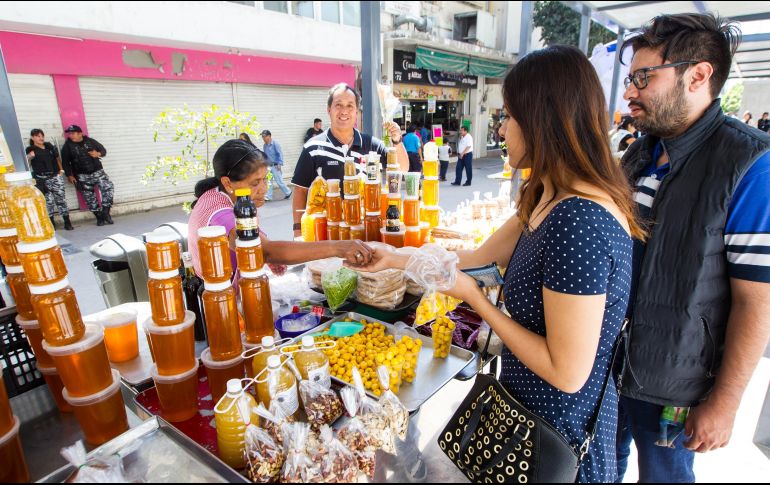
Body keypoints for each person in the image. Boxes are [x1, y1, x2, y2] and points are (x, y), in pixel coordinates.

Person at [352, 45, 644, 483]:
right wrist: (393, 258)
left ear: (543, 119)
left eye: (508, 116)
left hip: (556, 444)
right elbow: (471, 259)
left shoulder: (578, 220)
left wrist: (477, 301)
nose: (501, 128)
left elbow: (567, 373)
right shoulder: (546, 196)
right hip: (522, 423)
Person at [617, 13, 770, 483]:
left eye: (644, 77)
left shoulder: (749, 165)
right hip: (608, 365)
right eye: (630, 78)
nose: (630, 91)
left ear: (698, 75)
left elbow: (755, 300)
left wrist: (724, 402)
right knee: (598, 469)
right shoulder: (640, 152)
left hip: (675, 384)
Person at [188, 139, 374, 278]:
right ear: (228, 183)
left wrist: (269, 258)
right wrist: (339, 247)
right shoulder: (221, 215)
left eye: (265, 179)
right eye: (255, 183)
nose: (264, 188)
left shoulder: (225, 196)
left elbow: (254, 242)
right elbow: (264, 250)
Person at [290, 83, 409, 237]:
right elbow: (300, 190)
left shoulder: (371, 144)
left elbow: (403, 169)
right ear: (329, 110)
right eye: (338, 105)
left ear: (357, 111)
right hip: (326, 233)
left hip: (365, 232)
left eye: (350, 106)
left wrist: (397, 140)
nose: (344, 111)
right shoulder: (313, 148)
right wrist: (298, 231)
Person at [60, 124, 114, 226]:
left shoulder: (90, 141)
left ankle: (106, 212)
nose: (71, 135)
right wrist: (69, 175)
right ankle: (99, 217)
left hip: (98, 172)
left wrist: (98, 154)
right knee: (89, 198)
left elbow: (103, 150)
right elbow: (65, 163)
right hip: (82, 175)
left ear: (80, 133)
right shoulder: (67, 147)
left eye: (73, 133)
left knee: (108, 188)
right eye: (70, 133)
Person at [25, 129, 73, 231]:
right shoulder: (30, 149)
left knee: (61, 200)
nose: (41, 138)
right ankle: (51, 224)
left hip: (55, 177)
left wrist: (61, 171)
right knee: (48, 202)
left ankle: (67, 222)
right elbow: (26, 165)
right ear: (33, 137)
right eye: (38, 136)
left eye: (42, 135)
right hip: (42, 180)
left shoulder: (49, 147)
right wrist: (29, 156)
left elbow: (57, 159)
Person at [260, 130, 292, 201]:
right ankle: (269, 196)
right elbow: (266, 156)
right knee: (269, 181)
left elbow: (280, 154)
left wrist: (280, 164)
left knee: (279, 181)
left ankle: (288, 192)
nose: (263, 138)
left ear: (269, 136)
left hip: (275, 166)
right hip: (269, 166)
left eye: (264, 136)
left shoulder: (275, 144)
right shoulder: (265, 145)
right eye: (262, 137)